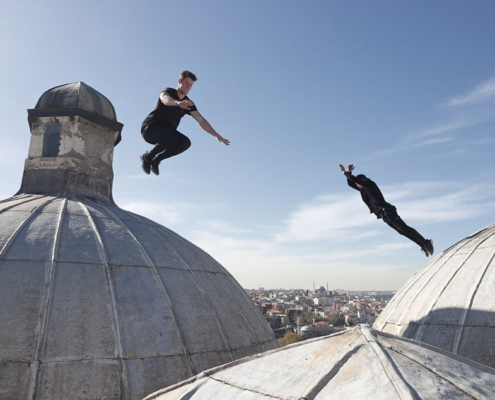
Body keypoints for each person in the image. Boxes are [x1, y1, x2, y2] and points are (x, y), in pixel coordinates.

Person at [140, 71, 230, 175]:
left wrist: (216, 135)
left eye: (191, 85)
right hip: (150, 128)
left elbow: (201, 120)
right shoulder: (168, 91)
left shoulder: (189, 103)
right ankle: (147, 157)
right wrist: (177, 103)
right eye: (186, 83)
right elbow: (165, 99)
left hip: (167, 135)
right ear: (179, 81)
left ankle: (156, 160)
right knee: (172, 137)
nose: (188, 87)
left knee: (185, 143)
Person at [339, 164, 434, 257]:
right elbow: (351, 183)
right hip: (383, 215)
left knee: (404, 228)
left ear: (363, 181)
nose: (357, 185)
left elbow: (353, 179)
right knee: (401, 231)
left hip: (388, 211)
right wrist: (349, 172)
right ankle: (423, 245)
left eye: (358, 183)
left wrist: (345, 172)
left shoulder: (370, 184)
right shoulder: (363, 189)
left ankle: (427, 242)